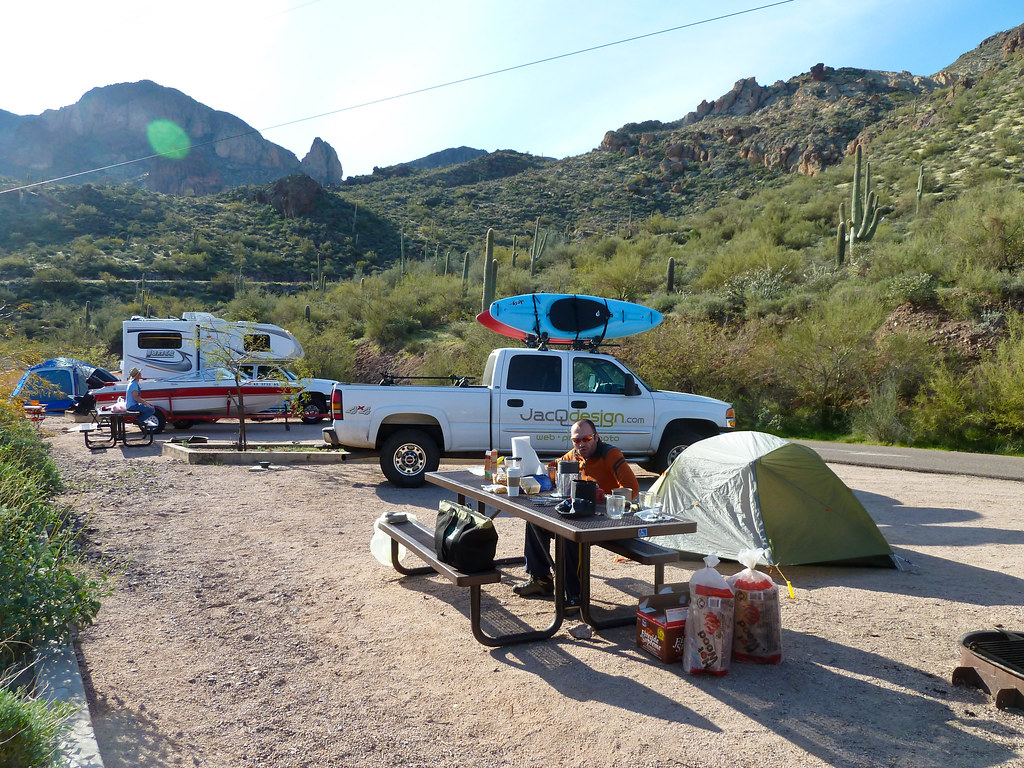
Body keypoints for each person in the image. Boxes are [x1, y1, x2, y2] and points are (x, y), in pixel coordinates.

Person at [513, 419, 640, 605]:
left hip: (609, 519)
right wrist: (522, 471)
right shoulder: (574, 455)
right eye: (576, 440)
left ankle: (574, 597)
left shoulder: (610, 454)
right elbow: (551, 468)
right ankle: (541, 580)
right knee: (535, 521)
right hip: (583, 515)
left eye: (586, 438)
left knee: (570, 534)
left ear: (597, 437)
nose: (581, 444)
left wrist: (603, 497)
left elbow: (632, 489)